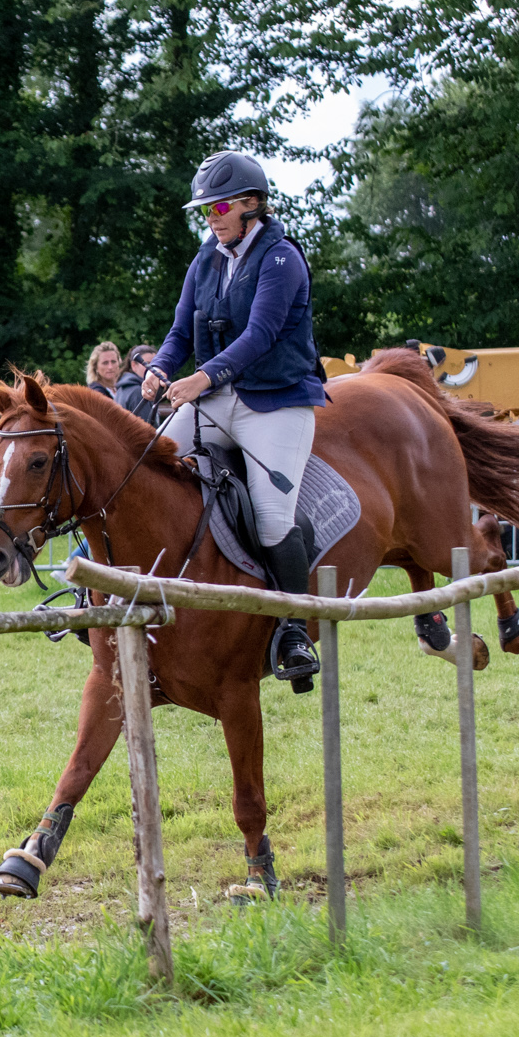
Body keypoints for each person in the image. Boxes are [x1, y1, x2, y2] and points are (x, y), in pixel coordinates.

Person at [141, 150, 324, 686]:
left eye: (219, 207)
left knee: (270, 516)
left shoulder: (282, 259)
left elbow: (261, 335)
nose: (212, 218)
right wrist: (159, 368)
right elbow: (180, 332)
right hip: (218, 399)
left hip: (277, 403)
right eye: (206, 210)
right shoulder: (206, 259)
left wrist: (201, 379)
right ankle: (100, 591)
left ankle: (293, 630)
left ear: (252, 204)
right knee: (145, 464)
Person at [116, 344, 155, 419]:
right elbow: (145, 424)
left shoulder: (122, 388)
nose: (152, 367)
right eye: (147, 363)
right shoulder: (138, 392)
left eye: (155, 363)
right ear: (134, 365)